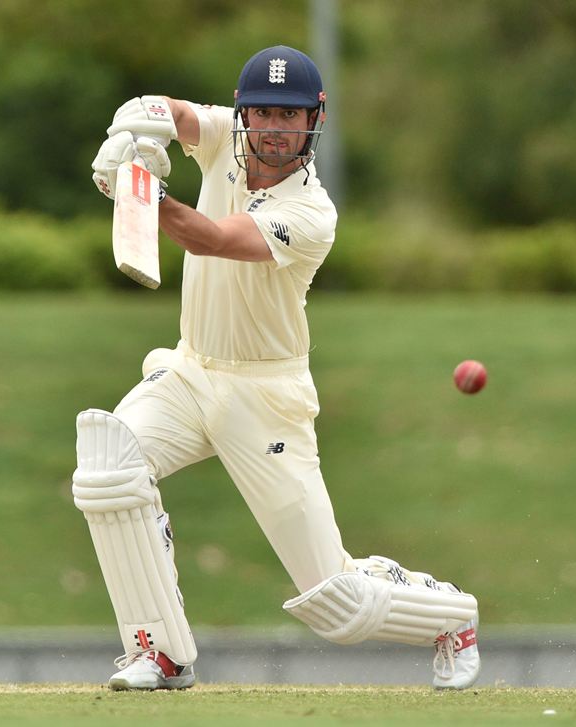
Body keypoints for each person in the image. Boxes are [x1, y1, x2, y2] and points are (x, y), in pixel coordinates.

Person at [76, 45, 480, 691]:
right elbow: (172, 111)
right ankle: (159, 650)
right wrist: (136, 126)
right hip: (189, 371)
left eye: (288, 115)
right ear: (243, 113)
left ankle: (451, 617)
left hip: (265, 395)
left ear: (315, 119)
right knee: (106, 463)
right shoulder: (224, 138)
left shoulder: (312, 212)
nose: (271, 128)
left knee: (334, 601)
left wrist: (138, 190)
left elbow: (215, 238)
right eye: (261, 112)